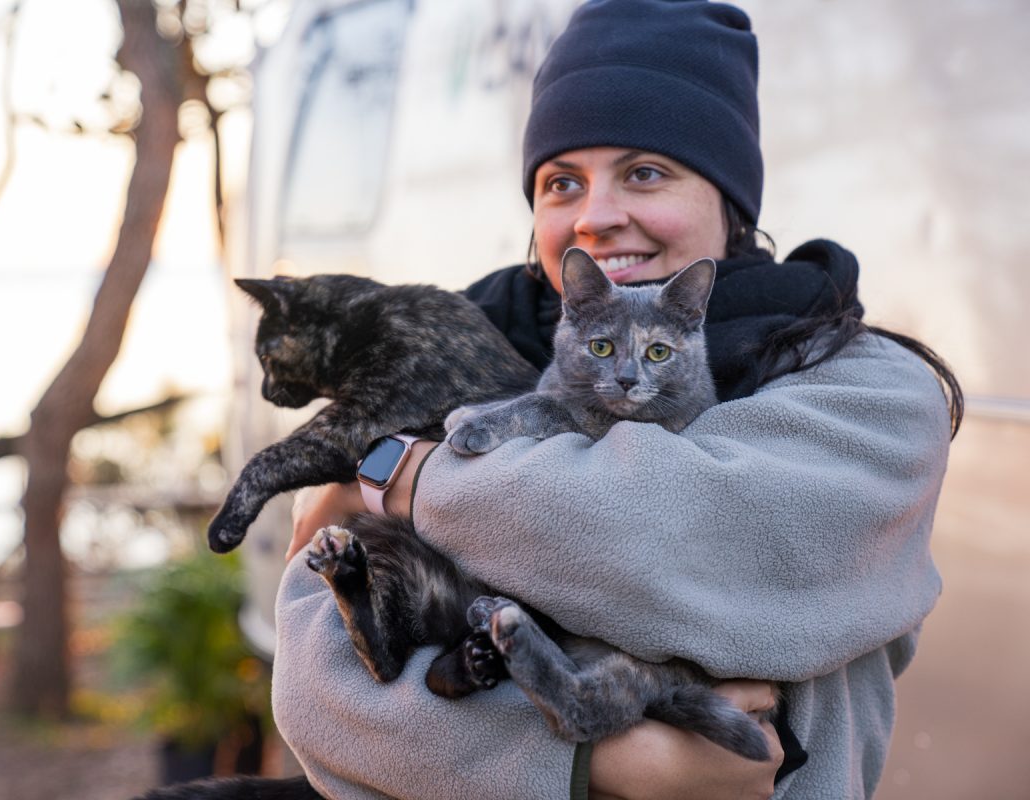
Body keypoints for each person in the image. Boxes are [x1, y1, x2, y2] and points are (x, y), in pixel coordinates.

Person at [268, 1, 962, 798]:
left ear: (730, 201)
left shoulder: (870, 393)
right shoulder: (463, 356)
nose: (597, 216)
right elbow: (317, 682)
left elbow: (655, 539)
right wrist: (599, 763)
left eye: (645, 171)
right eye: (562, 182)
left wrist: (400, 480)